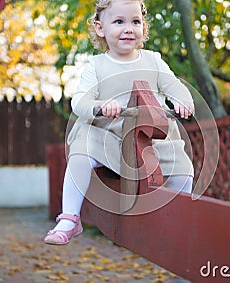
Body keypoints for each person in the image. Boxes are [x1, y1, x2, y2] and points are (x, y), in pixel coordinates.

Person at [44, 0, 195, 245]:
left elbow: (177, 87)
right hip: (112, 138)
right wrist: (100, 107)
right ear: (100, 28)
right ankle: (70, 218)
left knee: (183, 167)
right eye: (119, 21)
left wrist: (182, 101)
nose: (129, 28)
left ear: (144, 28)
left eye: (135, 21)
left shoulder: (153, 60)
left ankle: (180, 220)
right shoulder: (96, 65)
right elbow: (79, 102)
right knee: (81, 146)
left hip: (151, 141)